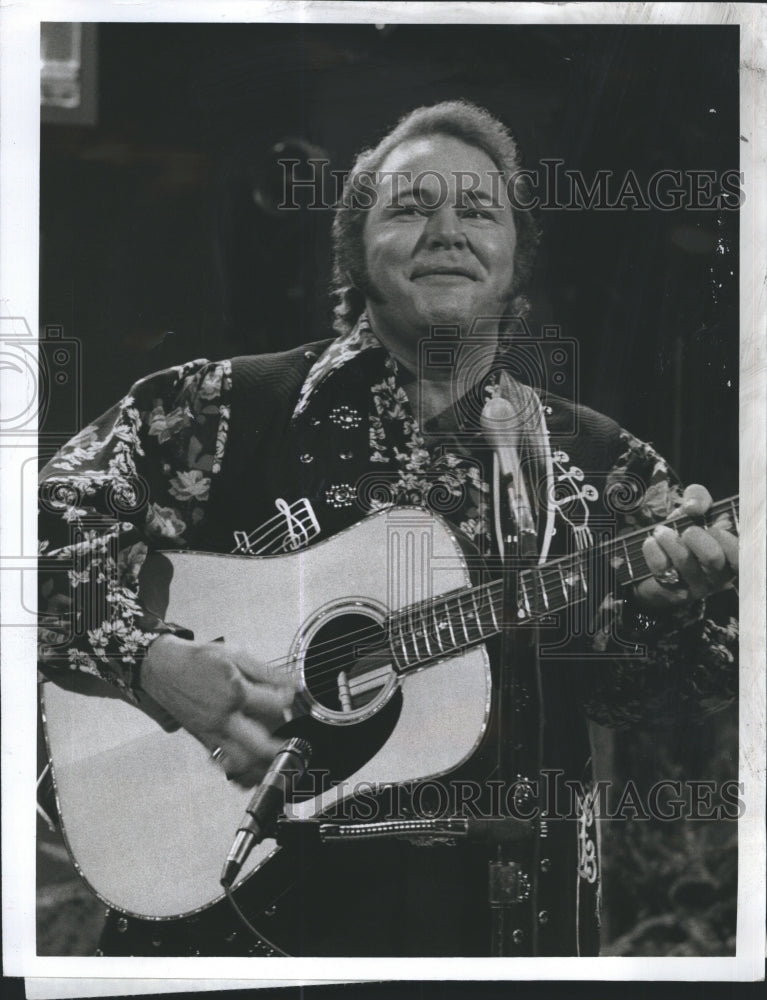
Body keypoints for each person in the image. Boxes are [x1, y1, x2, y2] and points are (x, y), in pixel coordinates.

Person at [38, 101, 738, 957]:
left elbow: (639, 701)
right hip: (242, 931)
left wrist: (674, 612)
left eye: (478, 211)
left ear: (516, 255)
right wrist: (150, 660)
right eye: (410, 208)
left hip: (503, 937)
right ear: (353, 250)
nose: (447, 231)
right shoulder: (220, 409)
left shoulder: (602, 465)